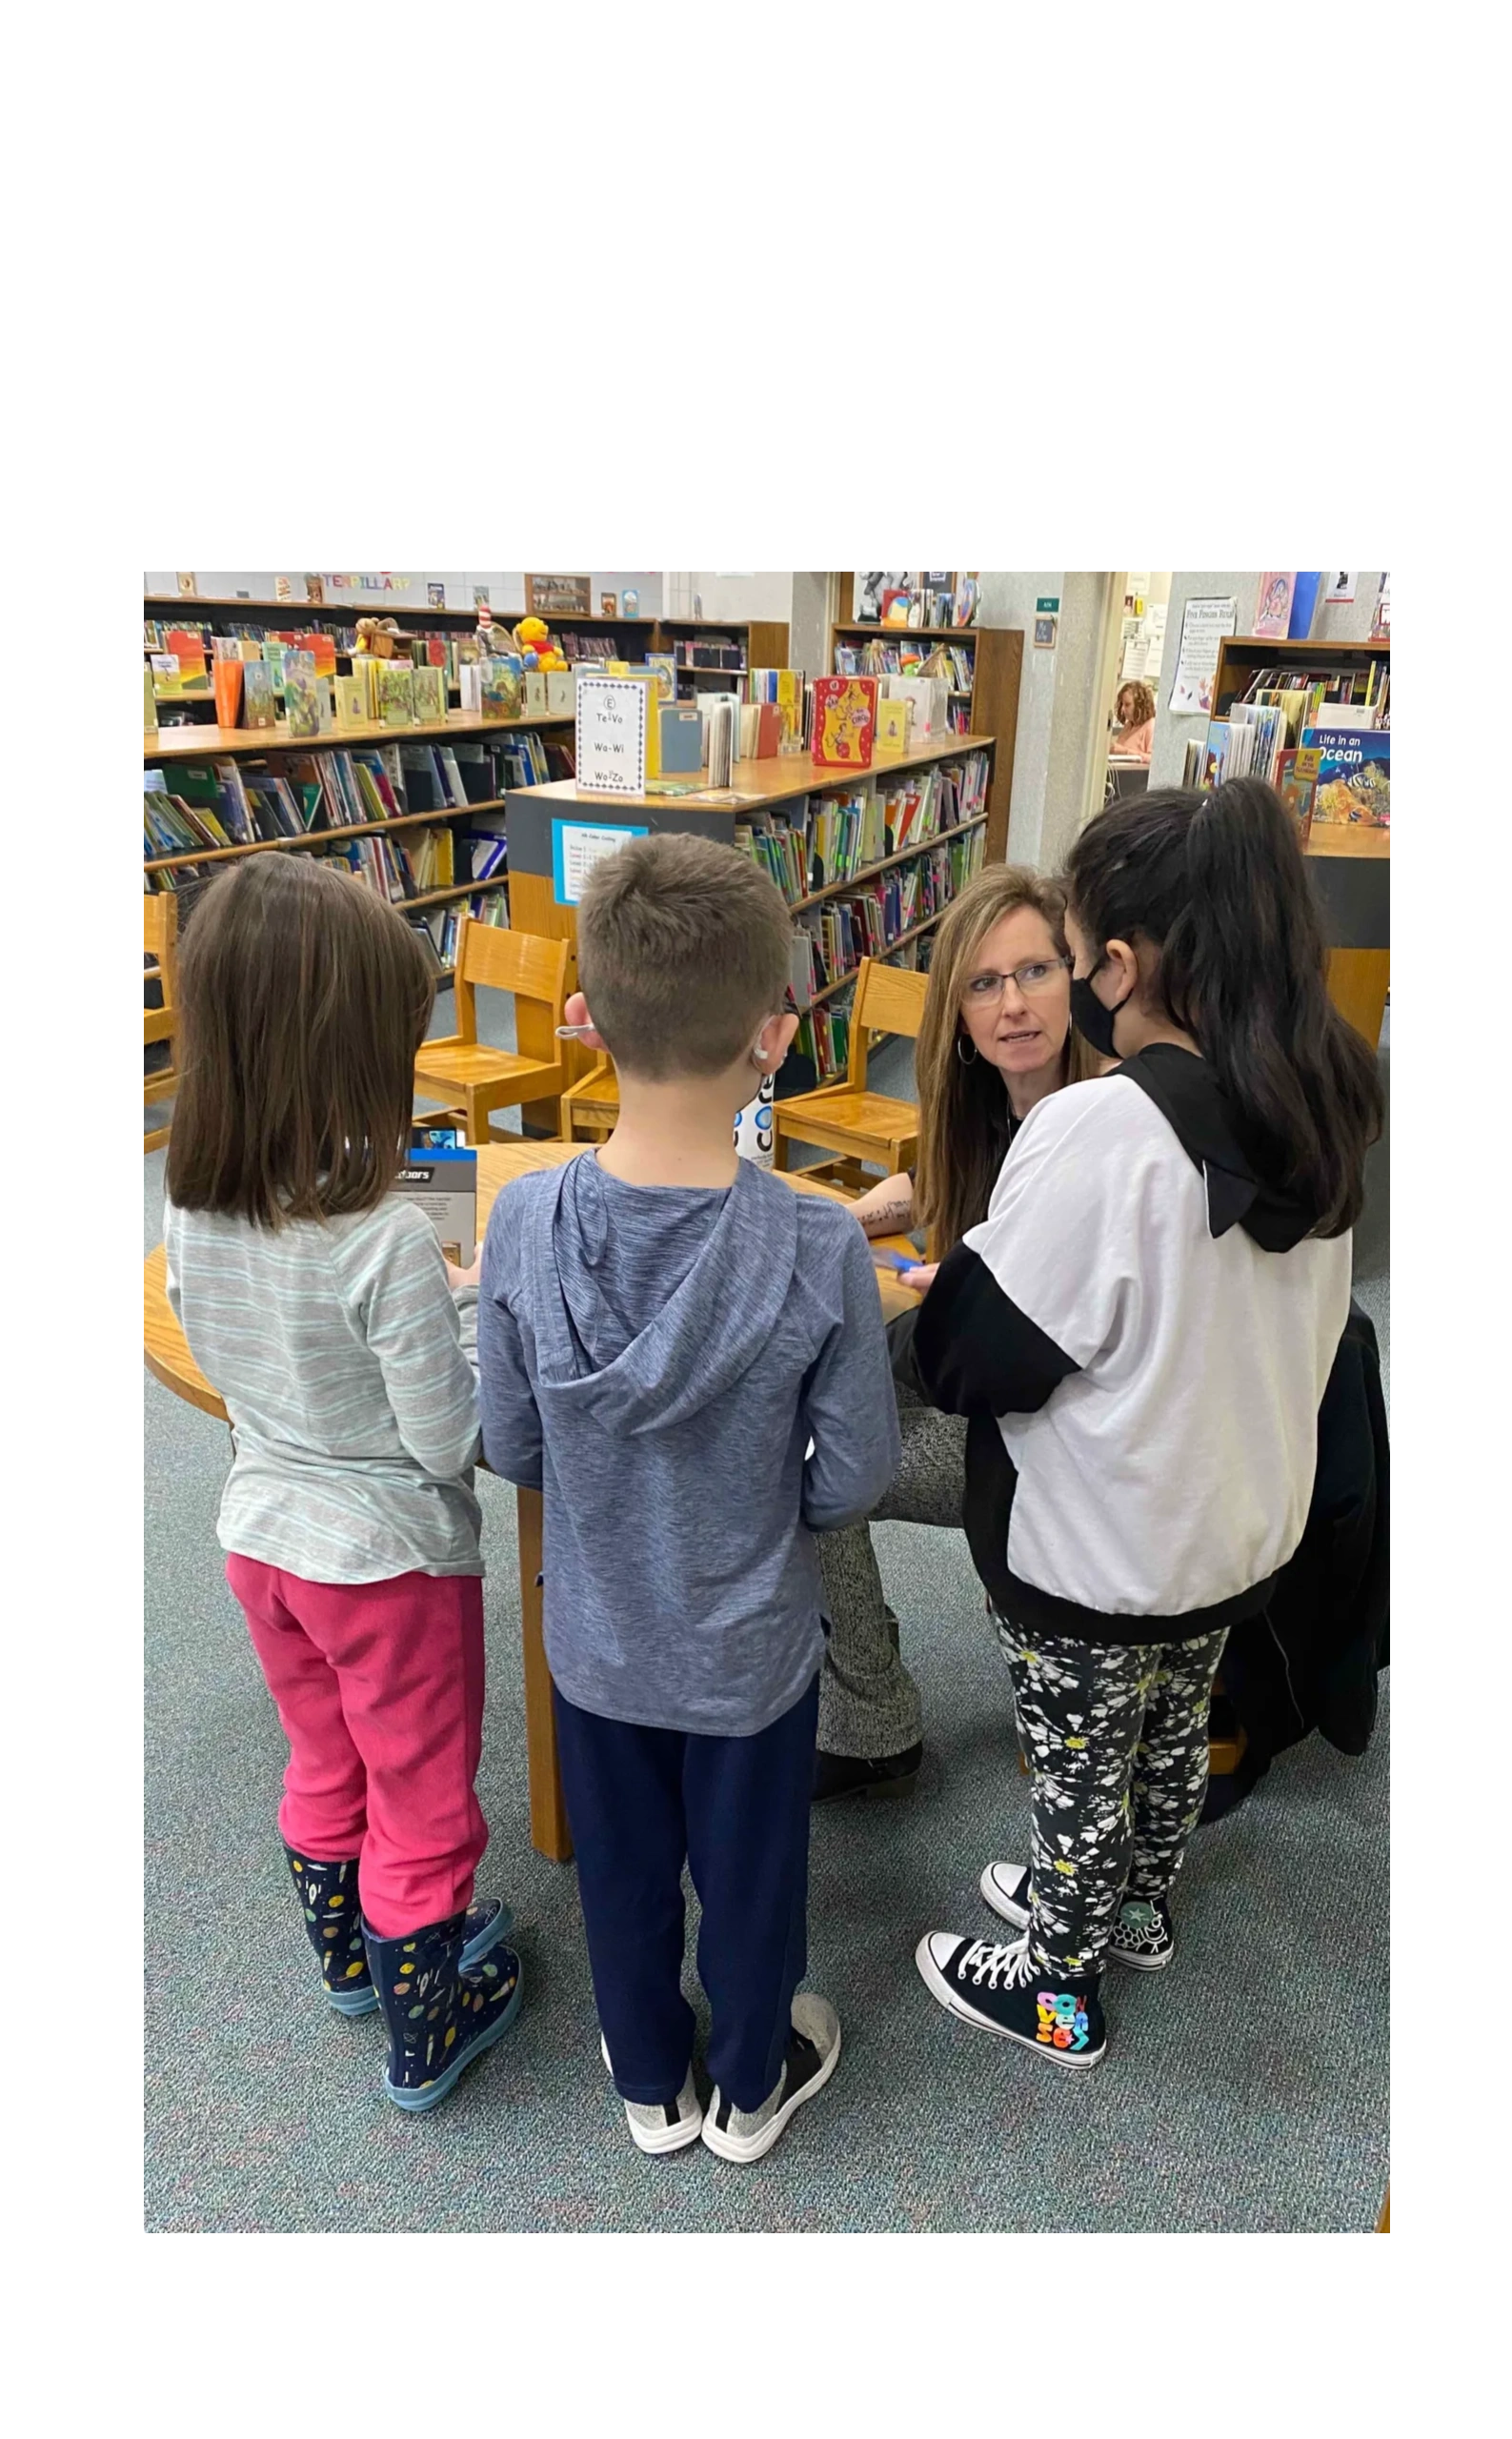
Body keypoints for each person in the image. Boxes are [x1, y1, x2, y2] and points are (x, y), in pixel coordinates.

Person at [903, 781, 1383, 2068]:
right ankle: (1139, 1908)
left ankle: (1056, 1988)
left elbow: (974, 1354)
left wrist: (932, 1303)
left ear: (1117, 962)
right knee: (1170, 1732)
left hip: (1096, 1549)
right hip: (1230, 1536)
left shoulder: (1102, 1129)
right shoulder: (1323, 1106)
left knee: (1074, 1761)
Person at [477, 835, 898, 2161]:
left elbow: (511, 1441)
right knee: (756, 1874)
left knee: (619, 1869)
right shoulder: (822, 1240)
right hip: (753, 1653)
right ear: (775, 1037)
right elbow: (859, 1471)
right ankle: (752, 2082)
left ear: (583, 1018)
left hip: (598, 1642)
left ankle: (652, 2079)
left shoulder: (520, 1222)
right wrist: (783, 1518)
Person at [162, 854, 521, 2115]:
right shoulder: (384, 1241)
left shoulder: (189, 1210)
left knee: (323, 1761)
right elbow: (444, 1440)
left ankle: (349, 1961)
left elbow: (235, 1354)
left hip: (262, 1541)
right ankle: (431, 2022)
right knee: (423, 1798)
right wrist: (470, 1320)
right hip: (389, 1567)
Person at [813, 866, 1100, 1800]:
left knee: (808, 1453)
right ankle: (865, 1703)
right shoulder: (993, 1112)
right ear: (960, 1015)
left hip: (1053, 1447)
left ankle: (867, 1719)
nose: (1013, 1004)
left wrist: (975, 1298)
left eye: (1038, 972)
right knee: (824, 1381)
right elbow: (935, 1190)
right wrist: (847, 1218)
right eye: (984, 983)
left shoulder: (1106, 1128)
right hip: (997, 1396)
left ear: (1081, 976)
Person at [1110, 679, 1155, 760]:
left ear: (1140, 705)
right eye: (1122, 704)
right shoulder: (1129, 726)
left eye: (1127, 705)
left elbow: (1153, 760)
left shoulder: (1151, 726)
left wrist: (1125, 752)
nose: (1123, 709)